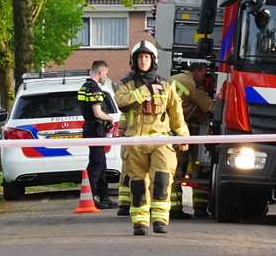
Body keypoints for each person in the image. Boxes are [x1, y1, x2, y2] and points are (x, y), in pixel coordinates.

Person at [114, 40, 189, 236]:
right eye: (140, 57)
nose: (143, 61)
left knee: (162, 180)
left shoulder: (167, 84)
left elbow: (176, 113)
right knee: (138, 183)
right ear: (134, 60)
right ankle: (140, 221)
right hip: (135, 141)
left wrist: (183, 136)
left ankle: (160, 219)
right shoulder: (124, 84)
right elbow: (121, 102)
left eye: (147, 57)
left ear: (153, 60)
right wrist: (142, 92)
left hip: (160, 139)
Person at [170, 62, 215, 218]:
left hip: (168, 130)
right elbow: (210, 107)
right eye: (204, 74)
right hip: (183, 131)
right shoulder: (191, 84)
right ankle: (199, 208)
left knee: (173, 168)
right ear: (198, 71)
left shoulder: (171, 79)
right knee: (198, 167)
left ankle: (173, 207)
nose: (205, 78)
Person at [77, 60, 120, 208]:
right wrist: (109, 117)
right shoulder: (95, 89)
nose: (105, 77)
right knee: (96, 164)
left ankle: (104, 197)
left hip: (90, 127)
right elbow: (97, 112)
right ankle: (90, 196)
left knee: (101, 163)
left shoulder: (84, 87)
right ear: (100, 72)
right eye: (105, 74)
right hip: (96, 129)